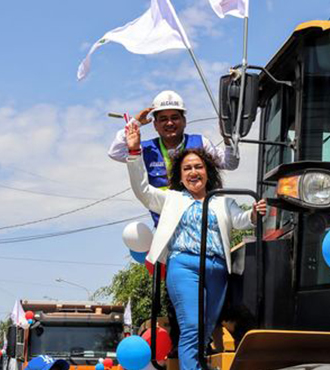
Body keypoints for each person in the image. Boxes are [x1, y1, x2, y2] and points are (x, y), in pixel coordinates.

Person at [124, 122, 266, 370]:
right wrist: (135, 153)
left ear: (207, 171)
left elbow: (242, 220)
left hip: (217, 268)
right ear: (179, 175)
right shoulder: (172, 199)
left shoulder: (222, 201)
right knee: (191, 325)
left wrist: (254, 213)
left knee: (205, 329)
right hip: (184, 266)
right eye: (187, 168)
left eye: (198, 167)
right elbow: (143, 191)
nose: (193, 172)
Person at [108, 90, 240, 224]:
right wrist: (134, 124)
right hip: (165, 229)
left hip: (202, 225)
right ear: (155, 125)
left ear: (184, 121)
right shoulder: (146, 149)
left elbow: (230, 163)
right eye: (163, 119)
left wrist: (228, 138)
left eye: (174, 117)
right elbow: (115, 152)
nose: (169, 123)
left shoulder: (201, 143)